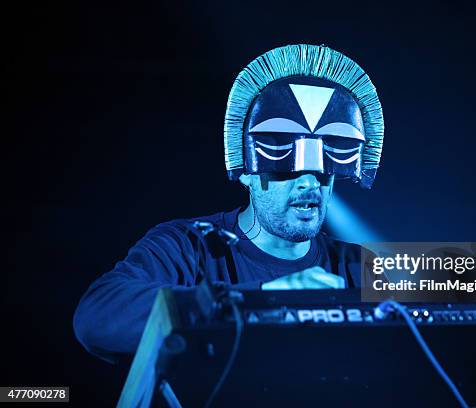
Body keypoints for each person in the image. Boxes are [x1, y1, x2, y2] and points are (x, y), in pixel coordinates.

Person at [73, 44, 385, 362]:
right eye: (284, 164)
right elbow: (97, 317)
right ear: (246, 172)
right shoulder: (188, 248)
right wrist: (258, 301)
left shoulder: (359, 268)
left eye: (323, 170)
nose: (308, 182)